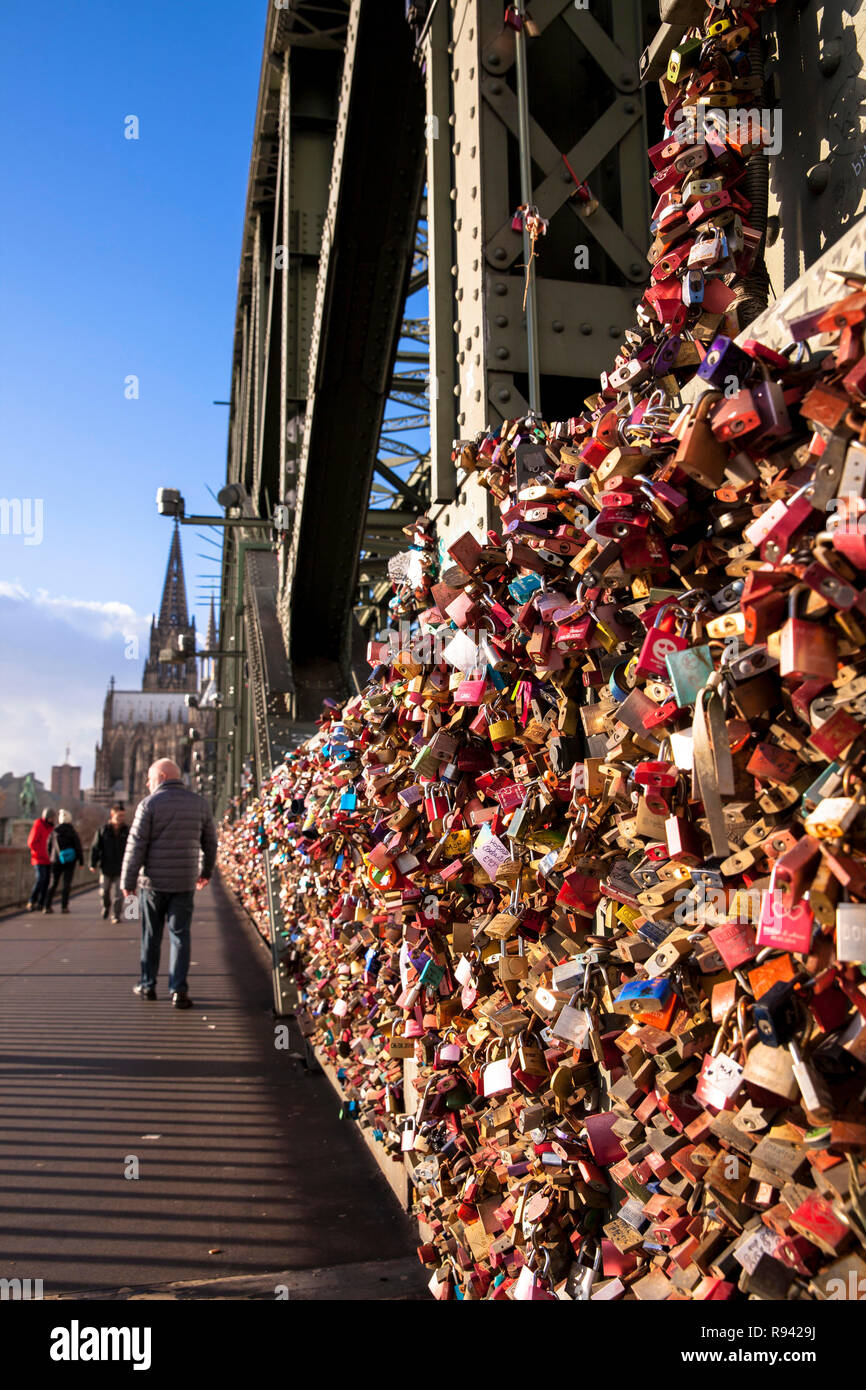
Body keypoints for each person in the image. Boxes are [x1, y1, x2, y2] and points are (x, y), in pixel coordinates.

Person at [120, 758, 217, 1009]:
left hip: (153, 884)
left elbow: (136, 847)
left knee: (150, 936)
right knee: (180, 936)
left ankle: (148, 985)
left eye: (150, 778)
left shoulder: (148, 804)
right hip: (184, 883)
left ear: (162, 777)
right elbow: (210, 843)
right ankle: (178, 990)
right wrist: (206, 872)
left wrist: (128, 882)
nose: (147, 783)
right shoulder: (199, 804)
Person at [89, 802, 129, 923]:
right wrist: (92, 863)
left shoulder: (127, 830)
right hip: (106, 866)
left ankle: (116, 915)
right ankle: (106, 906)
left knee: (119, 894)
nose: (121, 818)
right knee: (104, 891)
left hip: (121, 868)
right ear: (112, 815)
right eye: (119, 816)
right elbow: (95, 847)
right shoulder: (103, 830)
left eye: (123, 816)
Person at [45, 810, 84, 914]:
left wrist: (51, 857)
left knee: (53, 883)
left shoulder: (54, 831)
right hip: (70, 862)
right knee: (66, 884)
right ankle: (64, 906)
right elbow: (78, 847)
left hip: (56, 860)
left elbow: (49, 846)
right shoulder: (72, 831)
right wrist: (81, 861)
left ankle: (47, 905)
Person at [27, 808, 55, 911]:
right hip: (38, 858)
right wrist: (39, 853)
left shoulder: (51, 828)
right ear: (47, 817)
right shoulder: (38, 825)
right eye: (52, 818)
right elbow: (31, 842)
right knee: (40, 879)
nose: (53, 820)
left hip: (48, 859)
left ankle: (41, 903)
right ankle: (31, 900)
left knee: (47, 881)